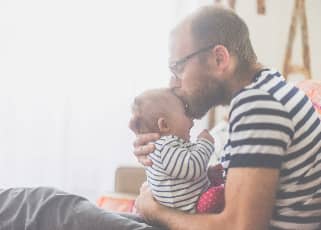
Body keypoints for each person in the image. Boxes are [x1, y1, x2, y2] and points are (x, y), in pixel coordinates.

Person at [133, 5, 321, 230]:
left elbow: (239, 226)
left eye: (178, 68)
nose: (173, 84)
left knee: (78, 210)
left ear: (219, 58)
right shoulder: (269, 88)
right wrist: (160, 147)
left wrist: (155, 211)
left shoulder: (259, 104)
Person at [129, 88, 223, 213]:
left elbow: (183, 175)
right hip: (189, 210)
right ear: (164, 125)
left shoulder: (170, 146)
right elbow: (192, 167)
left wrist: (207, 173)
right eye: (186, 114)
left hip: (189, 206)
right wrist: (205, 143)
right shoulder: (165, 147)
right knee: (219, 194)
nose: (192, 121)